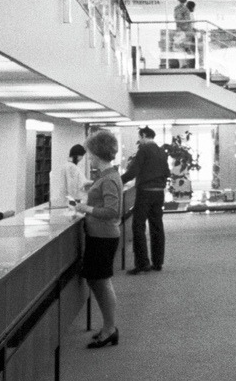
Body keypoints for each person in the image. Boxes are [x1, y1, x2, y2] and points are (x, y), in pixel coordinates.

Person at [74, 129, 123, 348]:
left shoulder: (109, 179)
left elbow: (113, 211)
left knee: (102, 282)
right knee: (97, 280)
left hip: (103, 236)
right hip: (99, 235)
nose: (89, 158)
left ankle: (110, 329)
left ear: (97, 153)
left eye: (91, 154)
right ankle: (108, 327)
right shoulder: (105, 177)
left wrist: (86, 208)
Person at [122, 126, 171, 274]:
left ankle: (143, 263)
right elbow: (167, 172)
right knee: (157, 226)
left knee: (138, 226)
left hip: (145, 193)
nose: (139, 140)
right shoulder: (161, 151)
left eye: (139, 137)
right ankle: (158, 262)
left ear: (143, 135)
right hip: (159, 193)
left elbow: (133, 171)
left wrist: (118, 180)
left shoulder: (143, 150)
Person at [49, 143, 88, 207]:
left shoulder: (68, 166)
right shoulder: (71, 167)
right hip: (68, 203)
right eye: (82, 156)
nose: (82, 158)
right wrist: (75, 203)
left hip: (64, 202)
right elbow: (72, 187)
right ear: (78, 155)